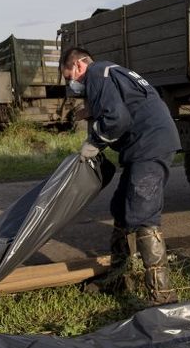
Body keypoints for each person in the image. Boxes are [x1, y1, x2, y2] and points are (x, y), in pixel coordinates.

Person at [61, 46, 181, 305]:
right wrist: (92, 113)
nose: (71, 84)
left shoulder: (95, 74)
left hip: (149, 145)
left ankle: (162, 296)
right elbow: (126, 104)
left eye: (68, 76)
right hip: (145, 145)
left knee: (143, 213)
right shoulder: (109, 71)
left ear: (79, 66)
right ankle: (118, 276)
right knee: (121, 207)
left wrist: (95, 142)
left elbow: (117, 118)